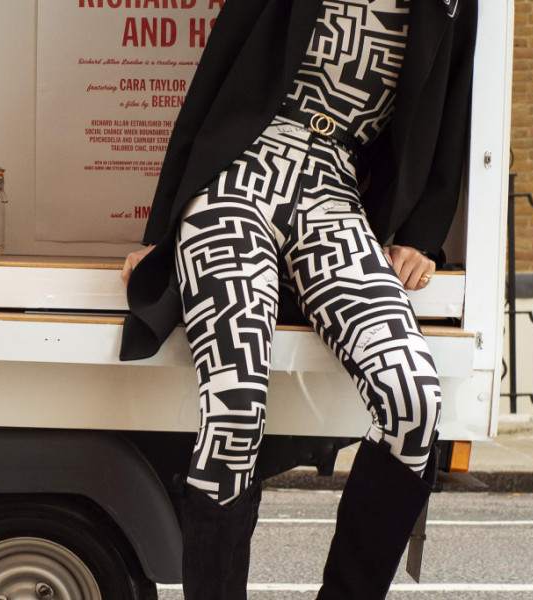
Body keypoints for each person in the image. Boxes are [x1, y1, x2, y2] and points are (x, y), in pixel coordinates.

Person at [119, 0, 477, 598]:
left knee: (413, 401)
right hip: (239, 179)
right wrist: (160, 232)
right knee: (234, 410)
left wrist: (422, 236)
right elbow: (215, 72)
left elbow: (453, 107)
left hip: (336, 194)